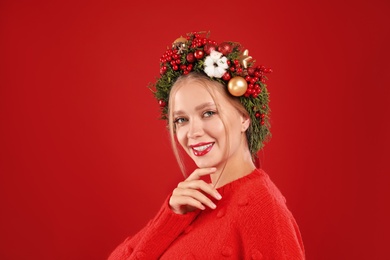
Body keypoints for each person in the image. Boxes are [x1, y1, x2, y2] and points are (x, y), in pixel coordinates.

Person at [108, 31, 305, 259]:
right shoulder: (190, 203)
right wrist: (170, 217)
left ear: (244, 118)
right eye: (181, 119)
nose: (193, 132)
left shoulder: (262, 207)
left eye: (209, 113)